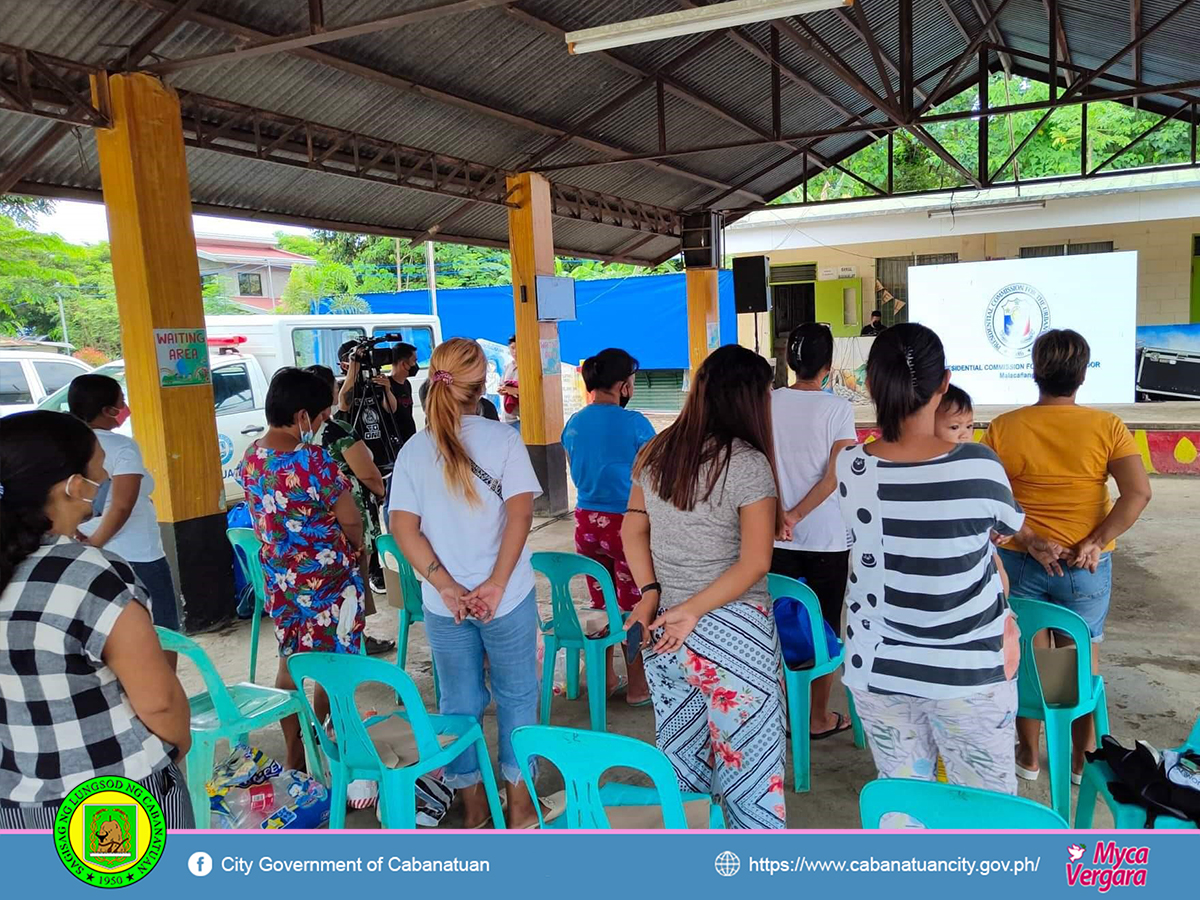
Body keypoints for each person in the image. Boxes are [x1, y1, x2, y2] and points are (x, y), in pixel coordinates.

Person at [836, 323, 1061, 797]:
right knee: (983, 808)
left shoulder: (851, 466)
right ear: (945, 384)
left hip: (878, 667)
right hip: (968, 670)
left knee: (903, 800)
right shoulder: (977, 463)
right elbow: (1000, 529)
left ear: (873, 385)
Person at [621, 344, 786, 829]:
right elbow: (756, 562)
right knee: (751, 778)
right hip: (733, 637)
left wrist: (651, 593)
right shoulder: (748, 462)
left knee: (682, 773)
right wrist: (696, 609)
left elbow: (632, 529)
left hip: (665, 632)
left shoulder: (655, 450)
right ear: (750, 400)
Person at [1, 411, 192, 828]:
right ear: (72, 486)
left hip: (16, 804)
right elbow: (158, 701)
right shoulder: (91, 573)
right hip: (113, 799)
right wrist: (174, 749)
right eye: (96, 465)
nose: (105, 474)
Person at [982, 329, 1151, 784]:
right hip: (1086, 568)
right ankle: (1081, 762)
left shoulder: (1005, 427)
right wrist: (1096, 540)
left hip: (1022, 563)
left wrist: (1032, 536)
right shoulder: (1107, 426)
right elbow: (1137, 493)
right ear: (1081, 376)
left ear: (1035, 371)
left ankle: (1029, 755)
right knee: (1081, 663)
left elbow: (989, 499)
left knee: (1028, 662)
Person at [389, 338, 543, 829]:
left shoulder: (414, 450)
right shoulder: (503, 441)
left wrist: (447, 586)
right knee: (518, 696)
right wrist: (495, 584)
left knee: (458, 703)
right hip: (508, 597)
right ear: (483, 388)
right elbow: (521, 513)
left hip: (444, 604)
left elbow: (402, 528)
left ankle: (475, 809)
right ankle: (519, 810)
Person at [237, 367, 365, 771]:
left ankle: (296, 751)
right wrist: (358, 548)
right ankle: (333, 744)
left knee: (290, 661)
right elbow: (350, 517)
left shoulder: (252, 454)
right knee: (333, 663)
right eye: (323, 413)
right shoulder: (313, 460)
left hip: (282, 579)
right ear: (303, 415)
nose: (326, 420)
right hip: (327, 581)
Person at [769, 323, 857, 740]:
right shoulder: (837, 409)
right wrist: (798, 515)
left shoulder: (765, 402)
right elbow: (835, 475)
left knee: (777, 624)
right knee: (823, 629)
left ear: (790, 361)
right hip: (824, 536)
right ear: (828, 366)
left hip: (772, 534)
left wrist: (781, 517)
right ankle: (817, 718)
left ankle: (781, 710)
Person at [562, 348, 656, 707]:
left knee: (601, 602)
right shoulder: (635, 423)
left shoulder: (573, 423)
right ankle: (637, 687)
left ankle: (605, 678)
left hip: (586, 522)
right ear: (621, 385)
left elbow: (574, 464)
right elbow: (651, 474)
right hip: (627, 524)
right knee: (635, 604)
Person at [66, 375, 182, 665]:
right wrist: (96, 544)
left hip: (84, 549)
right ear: (107, 410)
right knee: (163, 627)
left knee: (109, 629)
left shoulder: (66, 445)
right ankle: (163, 690)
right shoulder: (120, 447)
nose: (125, 407)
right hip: (137, 554)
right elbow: (121, 505)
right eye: (120, 403)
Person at [307, 365, 394, 657]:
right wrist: (383, 492)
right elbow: (367, 473)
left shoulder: (302, 434)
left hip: (320, 518)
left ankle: (345, 635)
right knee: (357, 575)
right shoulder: (337, 430)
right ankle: (355, 636)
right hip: (352, 510)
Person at [934, 384, 1010, 597]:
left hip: (978, 541)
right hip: (948, 551)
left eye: (969, 426)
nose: (965, 435)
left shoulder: (976, 463)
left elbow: (999, 509)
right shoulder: (927, 467)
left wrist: (995, 528)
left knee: (998, 568)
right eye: (954, 428)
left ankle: (1004, 612)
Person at [499, 334, 520, 432]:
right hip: (507, 419)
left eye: (518, 348)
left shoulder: (529, 368)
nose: (515, 351)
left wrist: (515, 391)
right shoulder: (508, 366)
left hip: (521, 418)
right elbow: (501, 384)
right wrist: (502, 389)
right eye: (512, 348)